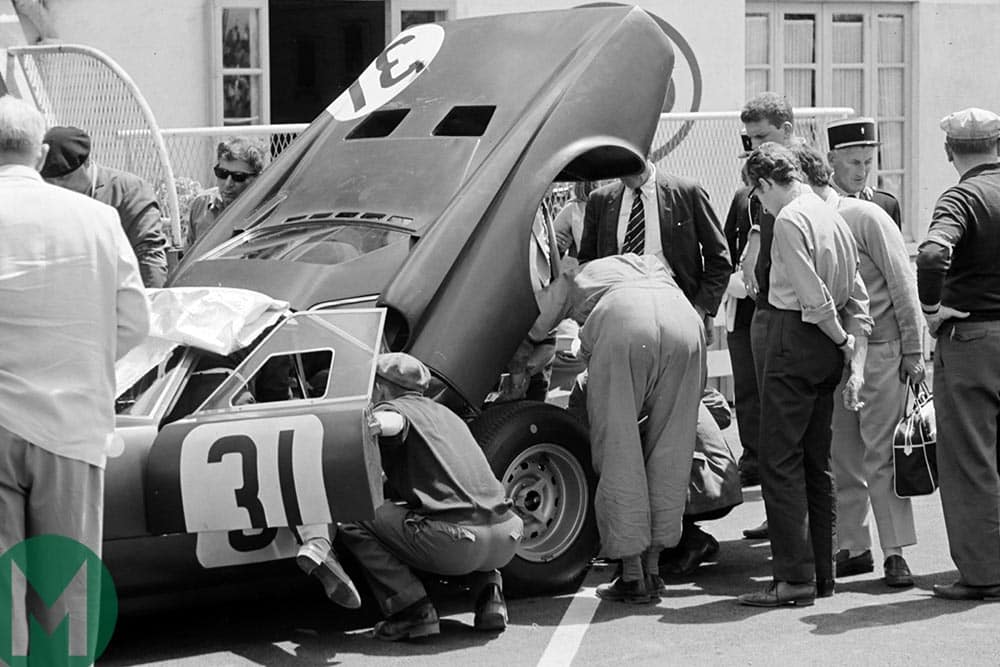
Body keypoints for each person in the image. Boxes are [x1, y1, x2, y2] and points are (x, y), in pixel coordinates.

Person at [0, 95, 150, 651]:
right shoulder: (96, 218)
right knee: (63, 596)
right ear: (40, 153)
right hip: (71, 423)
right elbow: (135, 321)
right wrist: (82, 362)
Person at [736, 142, 872, 608]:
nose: (761, 205)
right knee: (818, 462)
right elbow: (857, 292)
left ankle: (793, 579)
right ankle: (822, 575)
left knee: (779, 462)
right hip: (822, 347)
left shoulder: (791, 218)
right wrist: (848, 344)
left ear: (767, 183)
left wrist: (839, 336)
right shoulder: (830, 209)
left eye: (758, 195)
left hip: (798, 337)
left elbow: (813, 298)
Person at [527, 254, 705, 603]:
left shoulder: (573, 275)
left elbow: (536, 326)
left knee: (619, 448)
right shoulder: (644, 264)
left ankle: (632, 575)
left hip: (624, 323)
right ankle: (654, 569)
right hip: (685, 320)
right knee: (673, 449)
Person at [792, 142, 924, 587]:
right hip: (836, 356)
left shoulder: (866, 216)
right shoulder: (806, 221)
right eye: (854, 162)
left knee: (881, 455)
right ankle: (854, 546)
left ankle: (894, 553)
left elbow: (903, 283)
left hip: (883, 351)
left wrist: (913, 351)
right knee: (841, 457)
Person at [337, 353, 524, 640]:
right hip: (507, 536)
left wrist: (369, 423)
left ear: (380, 387)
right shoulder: (448, 416)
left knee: (353, 512)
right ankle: (490, 598)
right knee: (460, 508)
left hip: (457, 543)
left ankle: (413, 611)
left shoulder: (395, 408)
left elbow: (393, 422)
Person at [915, 107, 1000, 601]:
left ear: (950, 152)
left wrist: (932, 308)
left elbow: (932, 254)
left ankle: (985, 573)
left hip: (972, 341)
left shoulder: (963, 196)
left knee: (970, 460)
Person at [729, 92, 797, 537]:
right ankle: (778, 518)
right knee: (758, 419)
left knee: (792, 428)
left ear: (788, 133)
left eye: (763, 137)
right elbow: (727, 253)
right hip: (753, 312)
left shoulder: (805, 186)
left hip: (793, 316)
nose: (755, 147)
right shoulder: (745, 194)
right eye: (749, 138)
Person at [578, 158, 731, 346]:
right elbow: (588, 263)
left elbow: (719, 257)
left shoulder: (686, 192)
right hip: (618, 313)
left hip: (678, 309)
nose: (623, 174)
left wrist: (700, 308)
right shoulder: (600, 200)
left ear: (644, 152)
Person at [41, 125, 169, 287]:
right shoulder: (42, 196)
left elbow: (148, 254)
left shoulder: (129, 192)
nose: (58, 187)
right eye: (50, 182)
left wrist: (150, 304)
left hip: (119, 292)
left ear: (86, 163)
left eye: (64, 179)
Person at [186, 136, 267, 246]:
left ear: (258, 178)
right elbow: (188, 256)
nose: (228, 183)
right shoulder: (201, 205)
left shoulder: (267, 211)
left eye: (238, 177)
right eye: (222, 173)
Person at [826, 118, 902, 229]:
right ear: (832, 159)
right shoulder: (817, 203)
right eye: (854, 162)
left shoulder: (885, 205)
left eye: (868, 162)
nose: (862, 172)